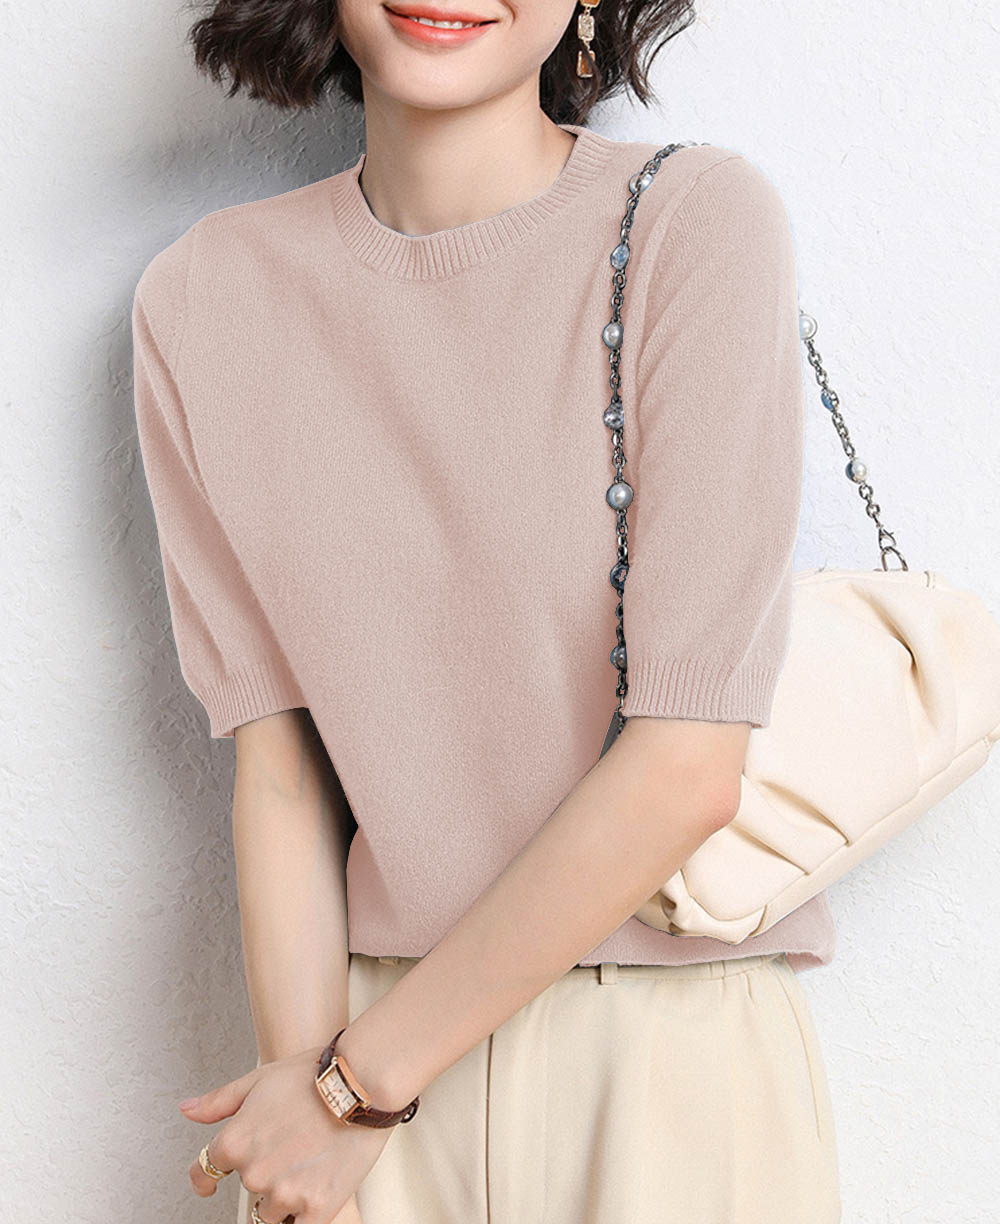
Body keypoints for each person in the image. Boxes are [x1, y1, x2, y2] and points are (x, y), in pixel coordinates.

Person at [131, 1, 842, 1221]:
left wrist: (350, 1090)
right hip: (352, 1074)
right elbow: (282, 770)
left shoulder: (689, 223)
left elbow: (687, 765)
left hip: (658, 1064)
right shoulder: (204, 297)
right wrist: (315, 1123)